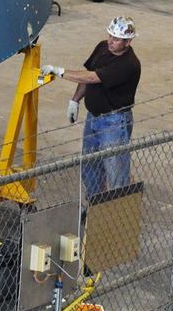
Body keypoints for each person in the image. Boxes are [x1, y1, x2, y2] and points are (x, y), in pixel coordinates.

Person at [43, 14, 140, 197]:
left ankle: (119, 213)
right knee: (90, 168)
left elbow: (93, 77)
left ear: (128, 42)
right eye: (110, 35)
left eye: (116, 39)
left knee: (116, 173)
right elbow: (89, 73)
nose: (110, 41)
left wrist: (60, 72)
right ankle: (96, 207)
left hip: (114, 123)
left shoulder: (129, 64)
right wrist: (75, 100)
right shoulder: (103, 47)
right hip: (93, 118)